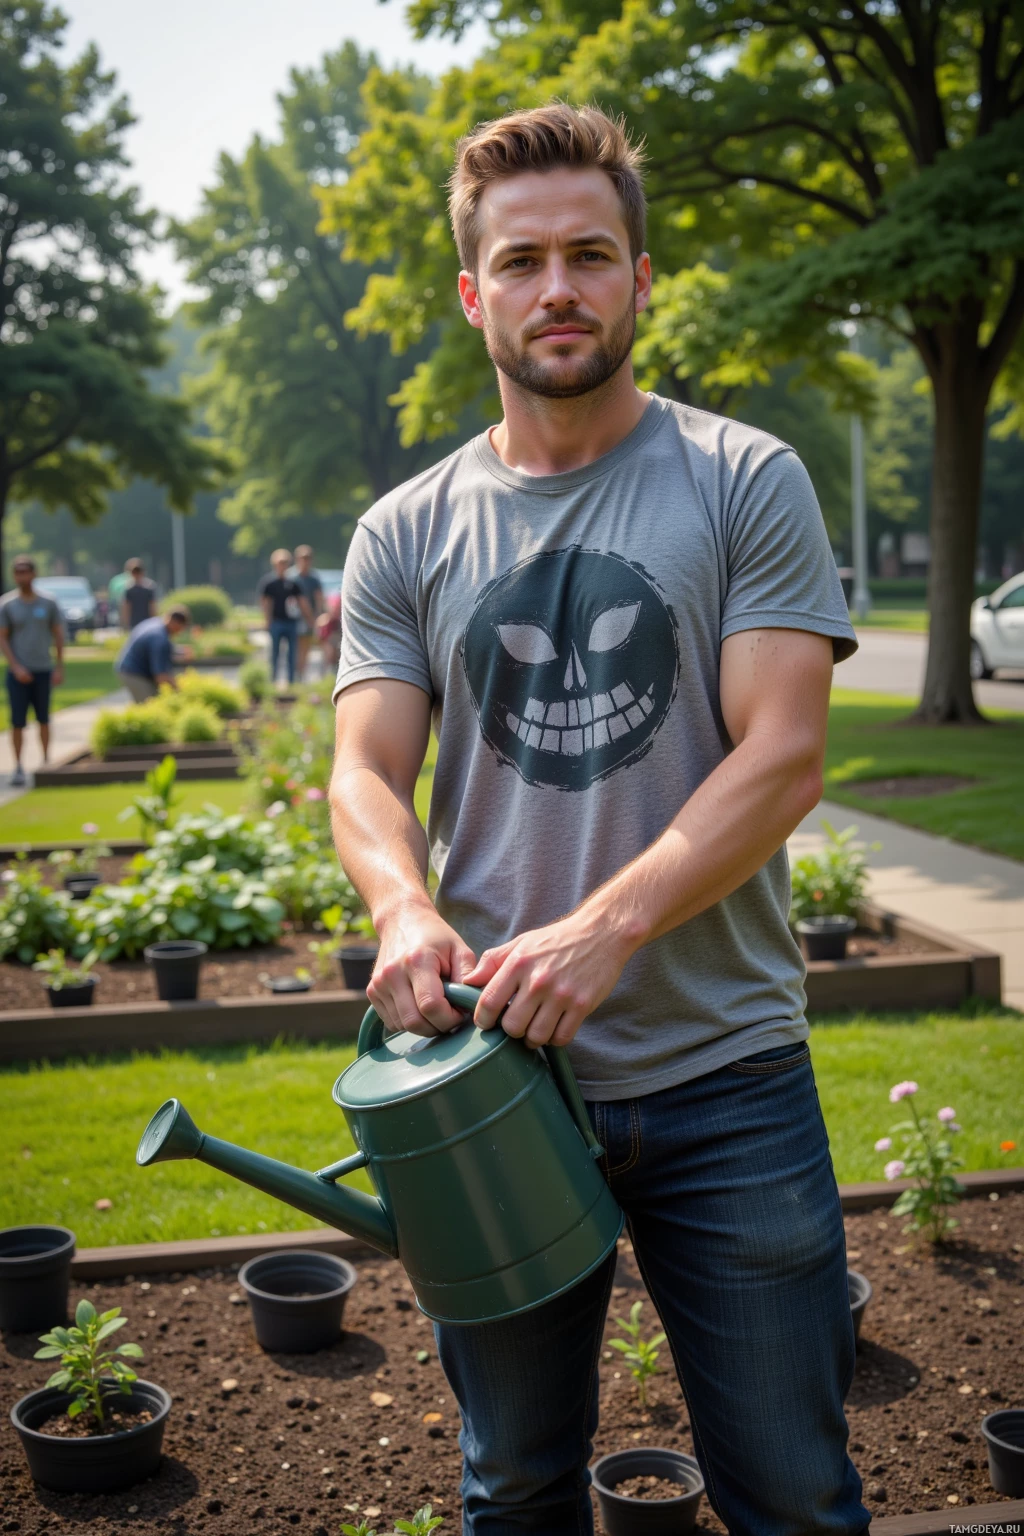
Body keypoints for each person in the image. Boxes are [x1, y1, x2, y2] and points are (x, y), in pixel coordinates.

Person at [330, 104, 868, 1536]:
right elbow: (364, 773)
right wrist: (401, 903)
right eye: (520, 261)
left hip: (726, 1076)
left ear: (640, 278)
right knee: (511, 1490)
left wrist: (604, 928)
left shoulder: (745, 479)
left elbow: (786, 755)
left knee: (799, 1498)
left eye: (587, 253)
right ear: (473, 294)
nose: (554, 286)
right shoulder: (405, 530)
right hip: (490, 1088)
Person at [0, 556, 64, 787]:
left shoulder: (48, 603)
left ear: (34, 574)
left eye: (25, 571)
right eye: (18, 572)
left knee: (44, 718)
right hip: (18, 673)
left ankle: (46, 762)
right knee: (17, 721)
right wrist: (16, 666)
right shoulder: (7, 605)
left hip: (43, 669)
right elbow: (3, 638)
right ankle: (18, 767)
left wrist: (59, 666)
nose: (22, 576)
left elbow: (58, 634)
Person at [258, 549, 313, 687]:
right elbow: (265, 603)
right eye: (280, 563)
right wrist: (267, 621)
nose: (283, 566)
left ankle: (291, 682)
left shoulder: (293, 583)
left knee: (292, 653)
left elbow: (302, 602)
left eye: (285, 563)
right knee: (275, 652)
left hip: (291, 623)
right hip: (276, 622)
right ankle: (273, 681)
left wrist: (310, 619)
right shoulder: (269, 583)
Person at [115, 606, 191, 702]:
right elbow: (160, 676)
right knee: (149, 704)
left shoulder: (156, 623)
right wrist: (180, 691)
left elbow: (163, 649)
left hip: (128, 668)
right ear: (176, 623)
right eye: (181, 628)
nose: (180, 632)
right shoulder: (159, 639)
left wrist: (180, 651)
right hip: (134, 674)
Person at [291, 545, 325, 680]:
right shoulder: (292, 577)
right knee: (294, 647)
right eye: (302, 558)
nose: (305, 561)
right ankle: (294, 672)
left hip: (309, 619)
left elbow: (319, 598)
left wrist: (317, 616)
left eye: (308, 558)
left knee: (305, 646)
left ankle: (300, 673)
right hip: (294, 617)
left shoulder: (313, 578)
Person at [120, 559, 158, 631]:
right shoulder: (130, 590)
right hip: (136, 623)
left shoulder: (148, 589)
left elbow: (152, 606)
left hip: (145, 622)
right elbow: (126, 607)